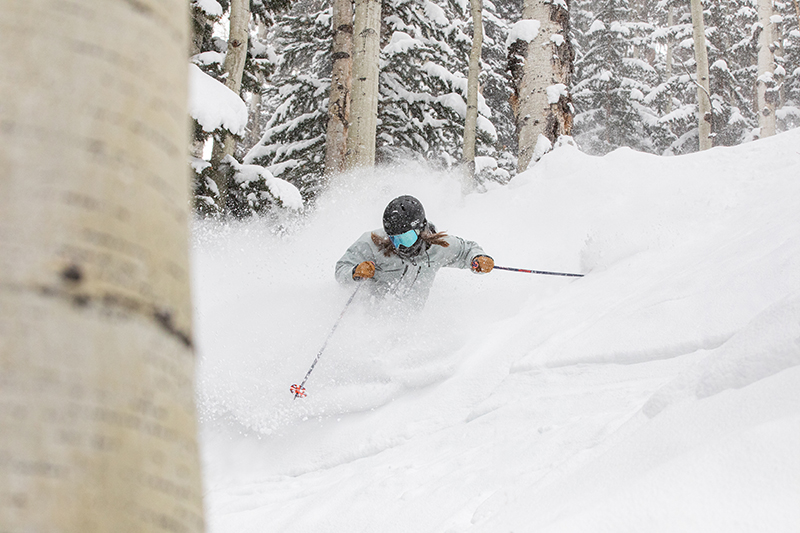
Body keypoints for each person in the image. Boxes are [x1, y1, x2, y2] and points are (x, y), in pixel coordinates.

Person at [335, 195, 494, 307]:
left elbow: (466, 251)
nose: (400, 246)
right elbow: (341, 268)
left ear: (420, 229)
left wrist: (479, 258)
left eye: (406, 238)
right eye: (394, 239)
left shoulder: (438, 248)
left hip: (410, 327)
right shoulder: (372, 244)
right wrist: (355, 272)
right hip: (370, 319)